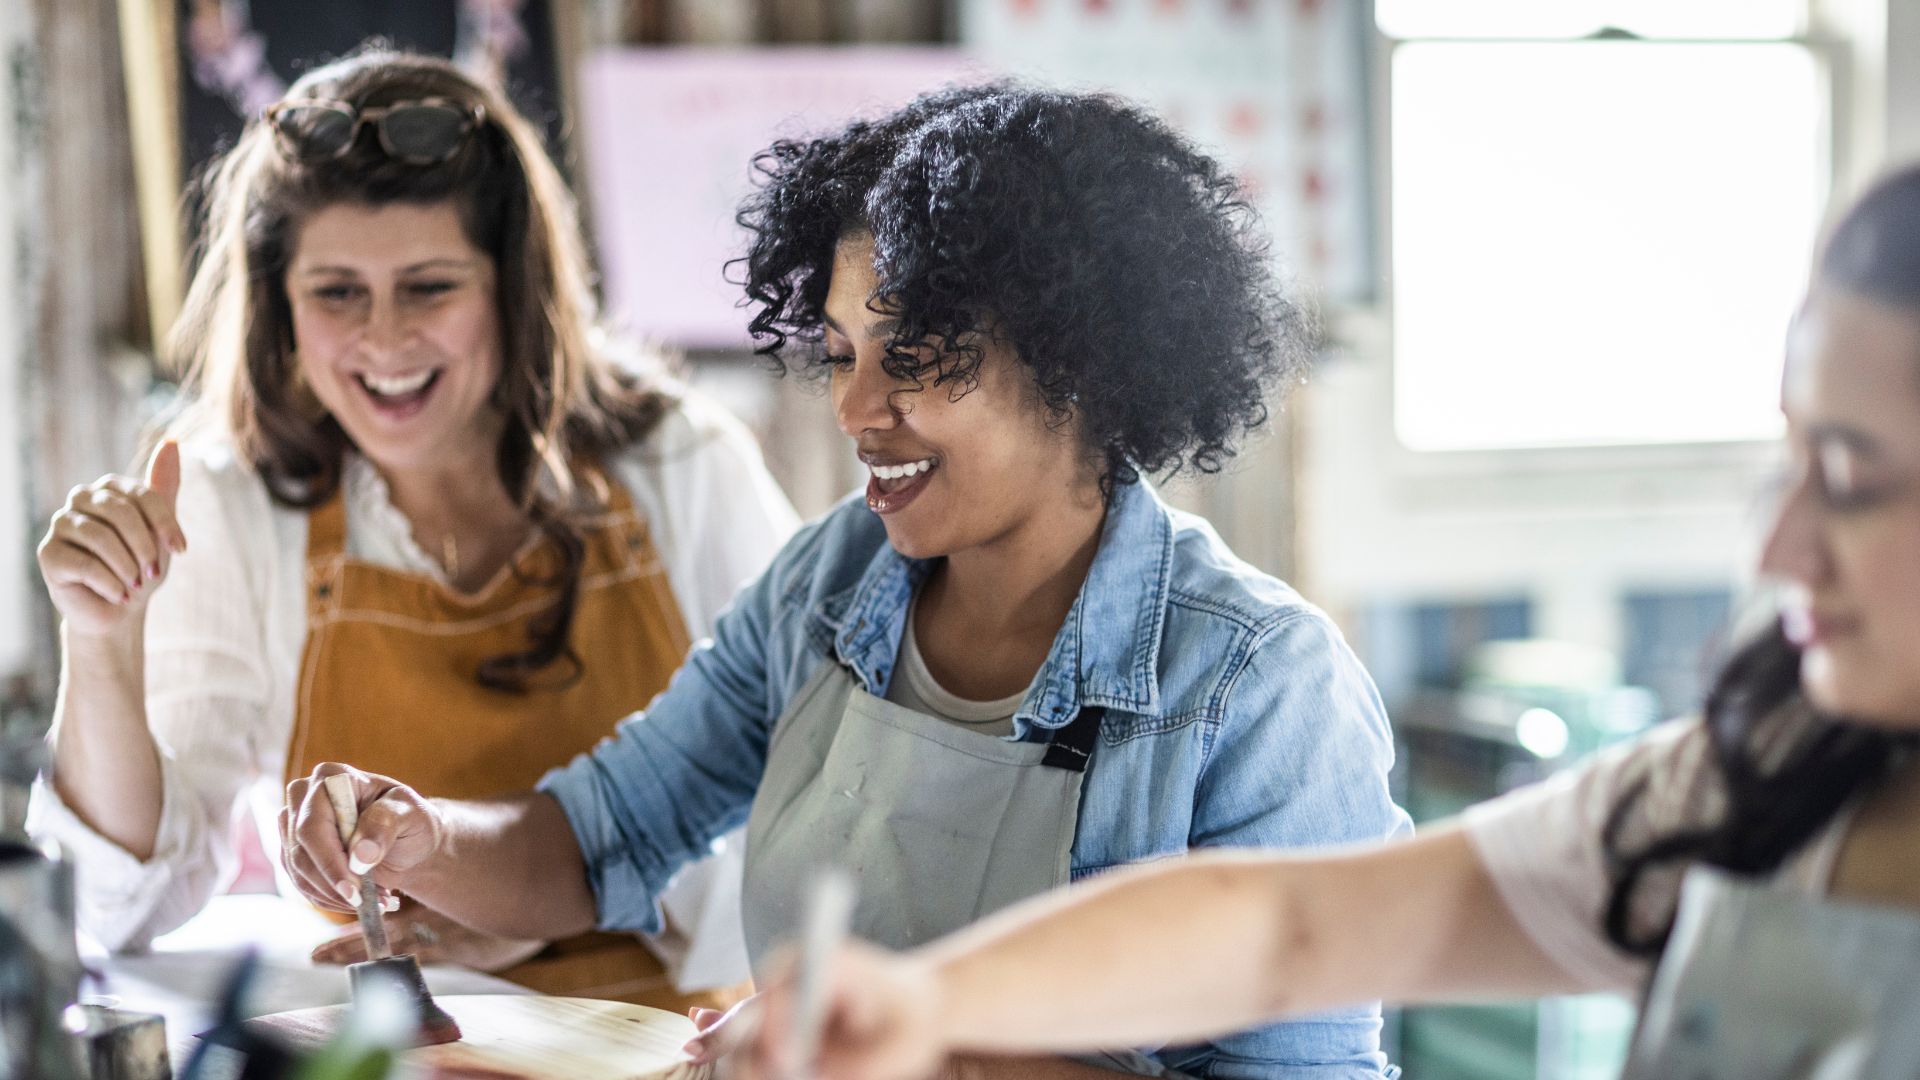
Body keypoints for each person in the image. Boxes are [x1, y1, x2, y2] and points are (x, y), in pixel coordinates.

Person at [279, 83, 1411, 1078]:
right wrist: (422, 836)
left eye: (912, 355)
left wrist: (931, 1057)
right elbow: (605, 837)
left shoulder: (1259, 685)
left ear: (1079, 360)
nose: (858, 410)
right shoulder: (833, 578)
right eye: (838, 352)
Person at [735, 162, 1920, 1080]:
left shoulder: (1257, 660)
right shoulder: (1760, 781)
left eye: (1856, 477)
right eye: (1791, 460)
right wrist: (935, 1005)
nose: (1777, 549)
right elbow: (1289, 924)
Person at [28, 50, 797, 1011]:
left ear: (514, 291)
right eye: (337, 291)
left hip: (687, 1039)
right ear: (279, 307)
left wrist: (545, 897)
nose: (384, 342)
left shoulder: (681, 463)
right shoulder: (233, 502)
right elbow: (121, 905)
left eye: (430, 287)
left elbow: (815, 796)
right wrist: (100, 642)